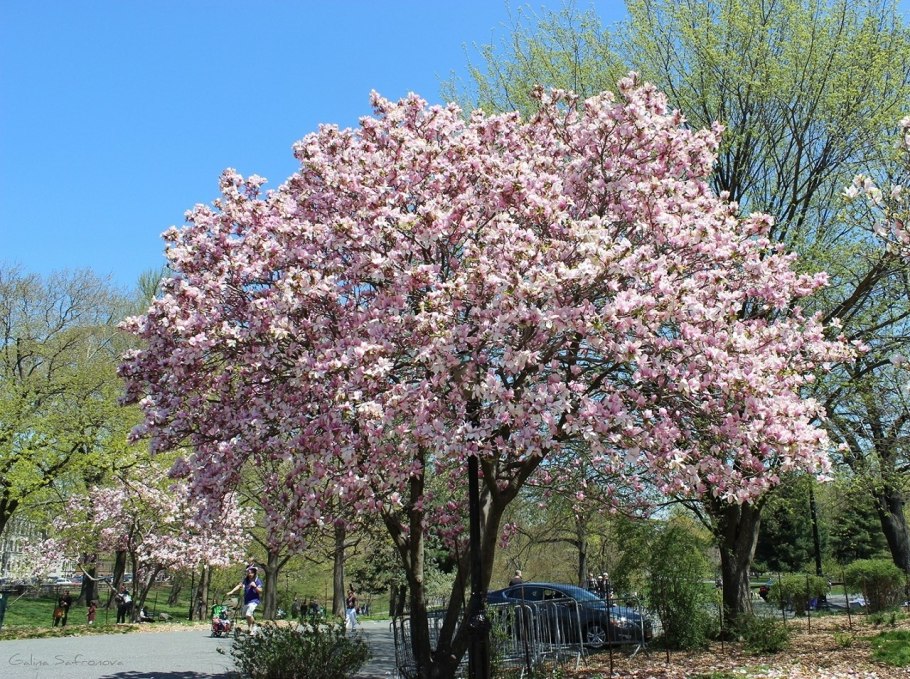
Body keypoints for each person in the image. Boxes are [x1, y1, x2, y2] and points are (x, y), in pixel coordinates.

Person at [228, 565, 263, 633]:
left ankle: (251, 629)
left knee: (248, 614)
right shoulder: (246, 580)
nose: (250, 574)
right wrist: (231, 591)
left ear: (254, 573)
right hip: (247, 601)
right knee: (246, 615)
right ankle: (253, 625)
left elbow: (260, 591)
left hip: (254, 601)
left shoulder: (257, 580)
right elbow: (239, 585)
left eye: (251, 573)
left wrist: (255, 586)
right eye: (248, 573)